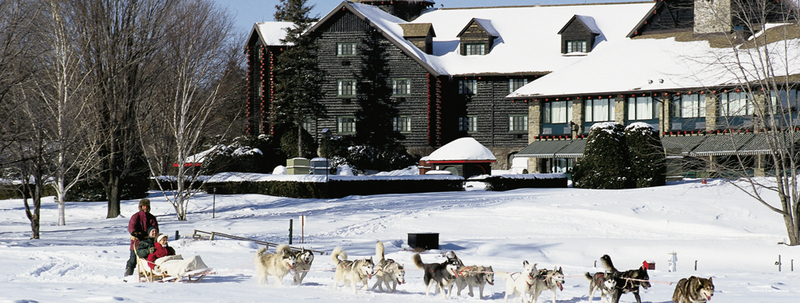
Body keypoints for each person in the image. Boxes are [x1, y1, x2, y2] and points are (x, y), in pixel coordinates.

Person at [126, 198, 158, 277]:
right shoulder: (136, 217)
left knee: (153, 257)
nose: (145, 208)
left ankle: (151, 273)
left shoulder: (151, 217)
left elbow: (155, 228)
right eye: (143, 206)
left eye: (147, 206)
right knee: (133, 259)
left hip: (149, 242)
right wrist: (136, 233)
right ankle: (128, 275)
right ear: (140, 207)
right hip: (137, 242)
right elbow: (131, 227)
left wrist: (153, 234)